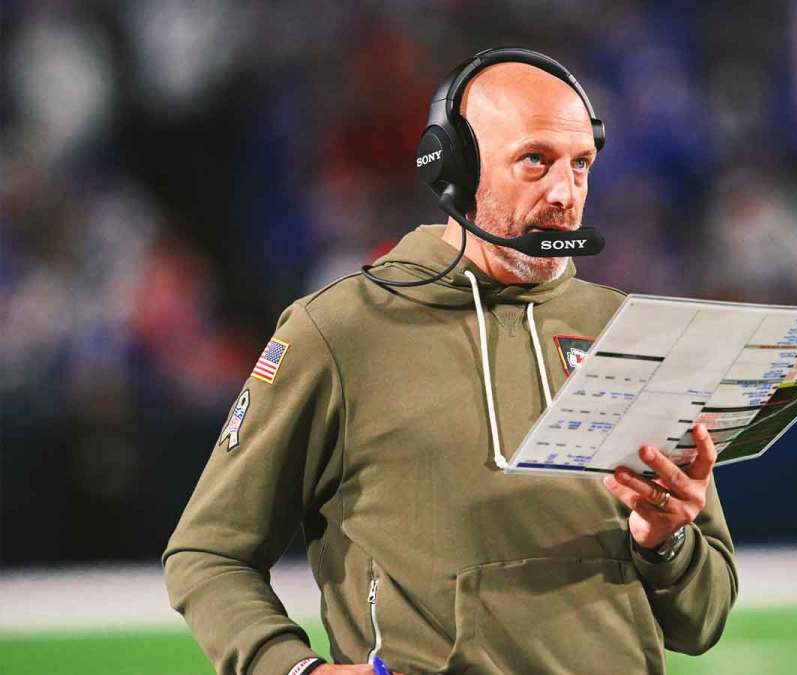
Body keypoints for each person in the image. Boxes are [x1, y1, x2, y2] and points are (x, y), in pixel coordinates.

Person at [163, 48, 737, 675]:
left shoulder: (633, 333)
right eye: (535, 161)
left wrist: (666, 541)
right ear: (455, 169)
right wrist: (291, 669)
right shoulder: (340, 331)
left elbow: (701, 621)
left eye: (580, 164)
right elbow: (208, 553)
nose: (565, 194)